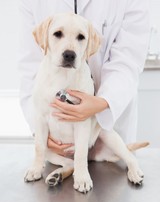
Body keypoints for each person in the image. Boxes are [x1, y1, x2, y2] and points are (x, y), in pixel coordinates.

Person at [18, 0, 150, 157]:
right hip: (57, 137)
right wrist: (39, 132)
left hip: (108, 126)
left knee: (114, 171)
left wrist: (103, 102)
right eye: (58, 34)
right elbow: (30, 67)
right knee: (62, 173)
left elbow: (128, 60)